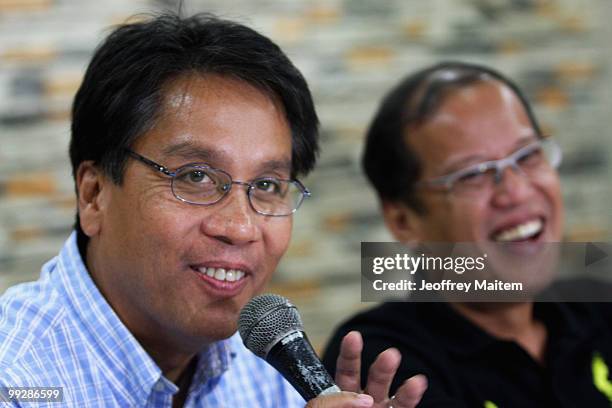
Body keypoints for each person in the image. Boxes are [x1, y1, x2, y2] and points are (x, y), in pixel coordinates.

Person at [0, 13, 427, 408]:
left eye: (267, 186)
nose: (240, 228)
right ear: (94, 194)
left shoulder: (265, 365)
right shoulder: (17, 381)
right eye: (196, 177)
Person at [322, 62, 612, 407]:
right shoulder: (386, 362)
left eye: (528, 155)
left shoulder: (598, 307)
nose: (517, 192)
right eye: (473, 174)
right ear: (403, 220)